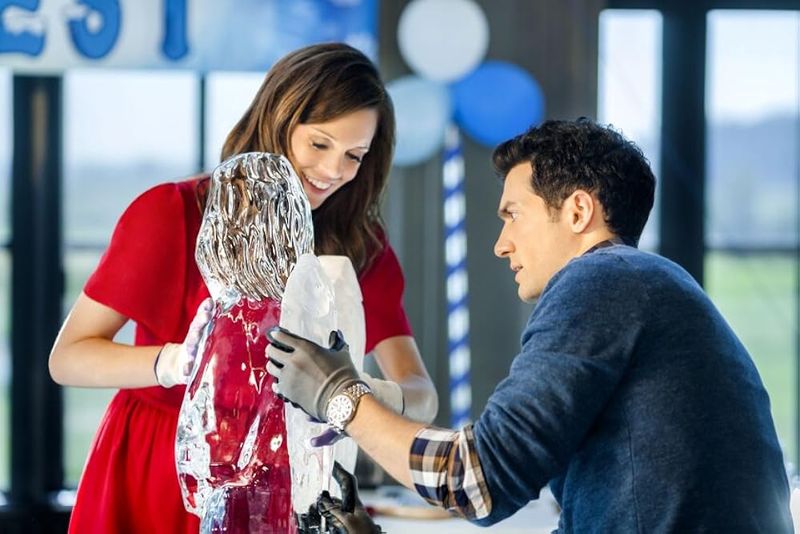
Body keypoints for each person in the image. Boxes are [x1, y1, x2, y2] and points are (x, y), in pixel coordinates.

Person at [267, 118, 794, 532]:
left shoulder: (603, 281)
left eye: (513, 214)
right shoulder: (647, 284)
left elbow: (475, 481)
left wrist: (340, 394)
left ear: (578, 211)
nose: (501, 244)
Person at [48, 43, 438, 534]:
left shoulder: (360, 246)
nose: (335, 171)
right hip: (161, 468)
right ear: (276, 120)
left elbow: (420, 395)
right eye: (319, 145)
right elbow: (68, 358)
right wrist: (173, 363)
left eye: (354, 155)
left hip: (285, 481)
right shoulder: (172, 215)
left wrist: (355, 391)